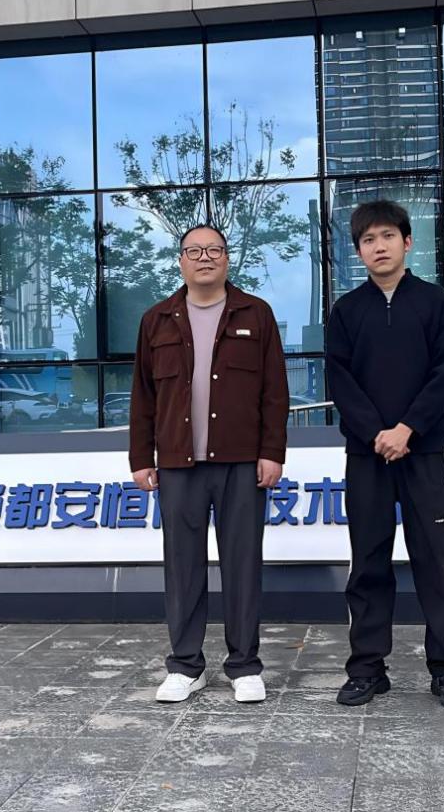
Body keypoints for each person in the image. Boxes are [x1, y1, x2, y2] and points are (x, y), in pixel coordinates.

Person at [129, 224, 288, 704]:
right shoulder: (157, 320)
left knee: (243, 564)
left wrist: (272, 452)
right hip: (178, 463)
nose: (204, 258)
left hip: (242, 462)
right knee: (182, 567)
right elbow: (143, 396)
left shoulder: (255, 314)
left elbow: (275, 392)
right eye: (194, 251)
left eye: (214, 249)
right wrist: (141, 458)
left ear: (227, 258)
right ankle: (185, 665)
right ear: (180, 260)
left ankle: (244, 665)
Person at [325, 200, 444, 710]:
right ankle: (367, 668)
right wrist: (377, 433)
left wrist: (407, 429)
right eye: (368, 240)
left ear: (407, 242)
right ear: (359, 251)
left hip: (423, 451)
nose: (379, 246)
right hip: (366, 456)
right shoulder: (346, 311)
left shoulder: (435, 303)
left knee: (435, 563)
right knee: (368, 562)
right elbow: (340, 380)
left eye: (387, 236)